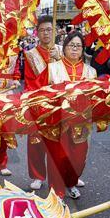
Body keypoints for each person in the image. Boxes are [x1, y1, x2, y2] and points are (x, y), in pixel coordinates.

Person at [43, 32, 97, 199]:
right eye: (71, 45)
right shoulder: (52, 68)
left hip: (82, 123)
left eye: (78, 46)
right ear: (64, 48)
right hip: (58, 122)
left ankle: (71, 182)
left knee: (78, 160)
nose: (74, 49)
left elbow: (95, 98)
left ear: (82, 49)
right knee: (58, 159)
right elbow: (41, 95)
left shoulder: (91, 72)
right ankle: (57, 191)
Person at [23, 15, 62, 191]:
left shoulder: (62, 50)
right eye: (43, 30)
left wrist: (60, 59)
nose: (46, 33)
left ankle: (65, 175)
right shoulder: (31, 54)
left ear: (55, 31)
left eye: (49, 29)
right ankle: (38, 175)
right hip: (39, 103)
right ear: (37, 33)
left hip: (60, 104)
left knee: (62, 144)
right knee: (36, 142)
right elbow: (31, 82)